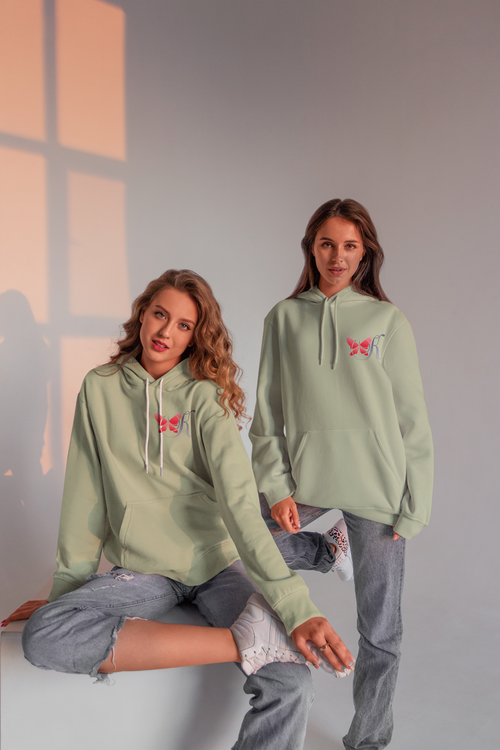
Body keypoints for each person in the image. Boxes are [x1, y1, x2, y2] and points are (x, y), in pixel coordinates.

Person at [2, 269, 355, 750]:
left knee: (291, 683)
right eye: (160, 315)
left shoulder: (205, 395)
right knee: (46, 634)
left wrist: (296, 609)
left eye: (184, 325)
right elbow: (85, 498)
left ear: (195, 336)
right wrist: (66, 595)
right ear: (142, 315)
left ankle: (293, 590)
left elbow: (239, 507)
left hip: (218, 564)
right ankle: (248, 637)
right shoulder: (100, 388)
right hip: (143, 571)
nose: (166, 332)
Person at [249, 200, 434, 750]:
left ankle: (368, 741)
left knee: (380, 631)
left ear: (365, 252)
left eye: (350, 245)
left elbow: (412, 419)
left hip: (378, 493)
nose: (337, 256)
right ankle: (328, 550)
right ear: (311, 248)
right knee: (233, 541)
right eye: (327, 243)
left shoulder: (386, 321)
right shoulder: (284, 318)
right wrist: (277, 487)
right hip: (305, 483)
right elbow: (266, 417)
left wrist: (415, 505)